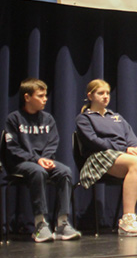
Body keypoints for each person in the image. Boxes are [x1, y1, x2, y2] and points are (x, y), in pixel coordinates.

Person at [76, 79, 137, 237]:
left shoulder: (116, 117)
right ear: (90, 96)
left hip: (123, 154)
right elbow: (93, 142)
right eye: (100, 93)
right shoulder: (85, 118)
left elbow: (130, 136)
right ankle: (127, 220)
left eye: (107, 93)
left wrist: (136, 147)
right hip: (99, 156)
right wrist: (124, 149)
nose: (105, 97)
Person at [3, 78, 81, 242]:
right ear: (27, 97)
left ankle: (62, 223)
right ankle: (40, 224)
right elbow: (13, 148)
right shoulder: (14, 119)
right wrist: (36, 160)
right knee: (37, 171)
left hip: (42, 161)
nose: (45, 99)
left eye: (45, 95)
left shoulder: (48, 119)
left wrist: (44, 159)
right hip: (19, 163)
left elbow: (53, 143)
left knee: (65, 171)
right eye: (40, 96)